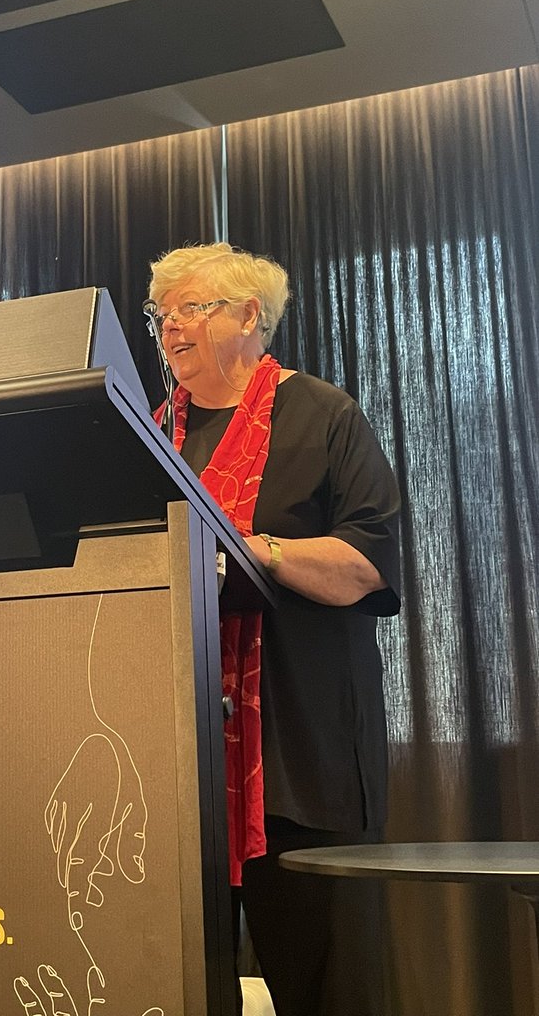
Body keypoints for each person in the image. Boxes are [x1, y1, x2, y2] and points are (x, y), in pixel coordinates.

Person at [147, 242, 401, 1016]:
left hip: (300, 766)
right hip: (178, 773)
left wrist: (258, 551)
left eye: (191, 308)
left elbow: (367, 564)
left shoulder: (324, 415)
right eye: (162, 315)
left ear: (249, 315)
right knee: (176, 989)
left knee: (327, 990)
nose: (171, 329)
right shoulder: (148, 434)